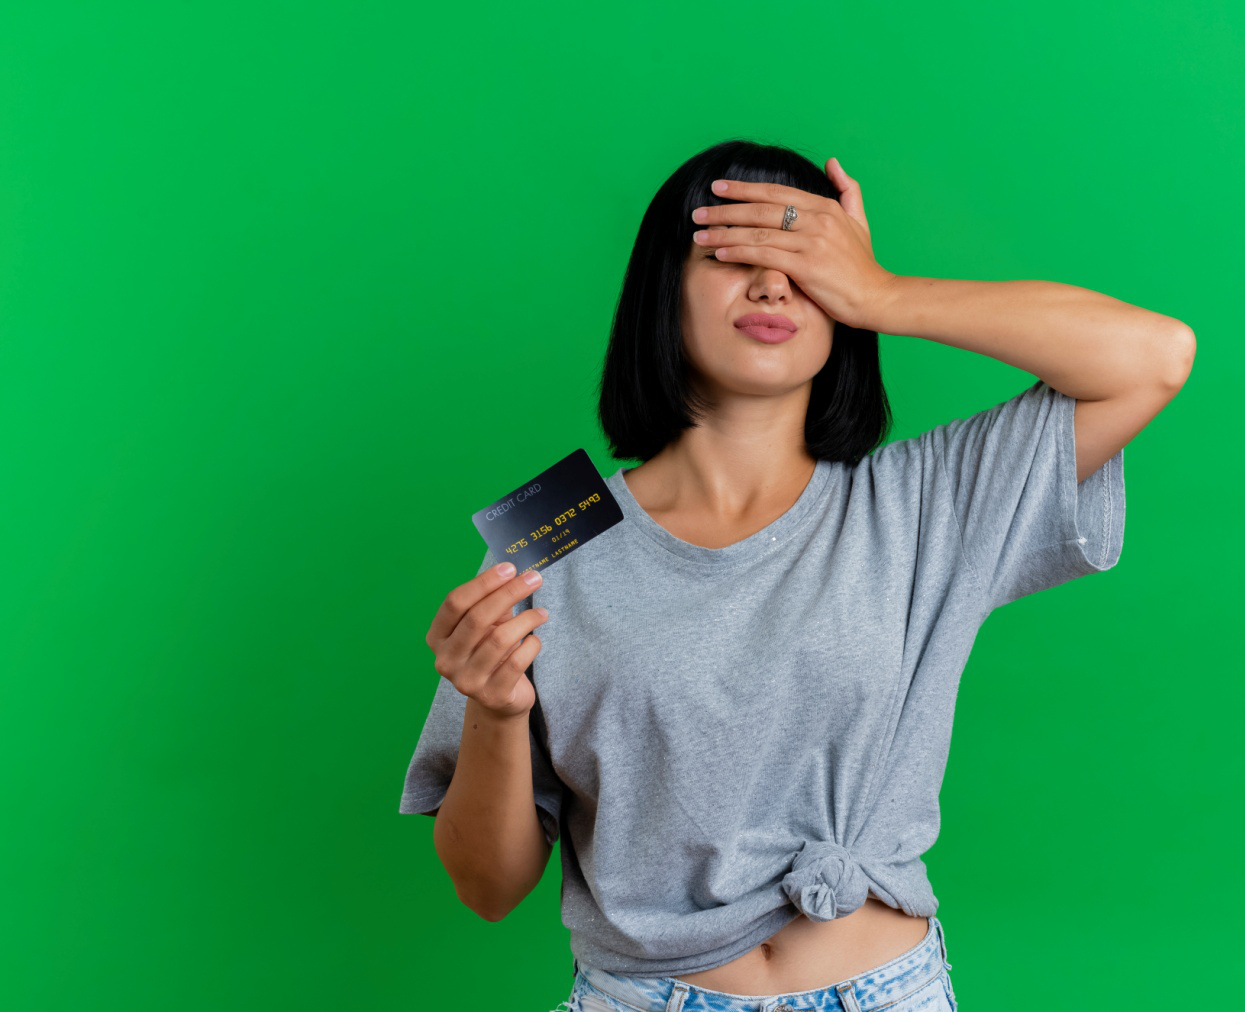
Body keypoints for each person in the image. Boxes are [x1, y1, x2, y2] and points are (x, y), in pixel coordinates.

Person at [399, 139, 1195, 1012]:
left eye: (804, 261)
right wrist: (495, 709)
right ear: (661, 290)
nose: (773, 286)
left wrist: (882, 291)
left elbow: (1153, 355)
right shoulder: (550, 545)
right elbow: (487, 887)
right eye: (733, 257)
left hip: (885, 989)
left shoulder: (921, 504)